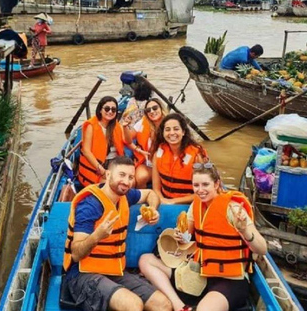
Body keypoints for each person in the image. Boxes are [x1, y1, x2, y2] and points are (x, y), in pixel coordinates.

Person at [139, 164, 267, 311]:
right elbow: (187, 239)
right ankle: (180, 307)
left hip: (229, 280)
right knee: (146, 260)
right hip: (199, 273)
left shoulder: (233, 209)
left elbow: (262, 249)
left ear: (217, 184)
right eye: (196, 185)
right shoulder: (196, 205)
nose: (200, 190)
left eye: (205, 184)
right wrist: (181, 238)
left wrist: (244, 230)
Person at [63, 156, 172, 311]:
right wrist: (96, 236)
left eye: (131, 177)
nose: (126, 182)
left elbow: (150, 194)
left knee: (163, 305)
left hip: (113, 270)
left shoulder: (125, 196)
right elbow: (76, 254)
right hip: (83, 274)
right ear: (108, 175)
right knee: (133, 305)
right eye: (121, 175)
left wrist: (153, 209)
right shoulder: (90, 206)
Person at [151, 113, 207, 204]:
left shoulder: (197, 157)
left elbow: (203, 192)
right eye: (167, 130)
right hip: (164, 201)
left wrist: (172, 202)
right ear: (163, 133)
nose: (172, 133)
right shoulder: (157, 154)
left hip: (189, 204)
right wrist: (162, 200)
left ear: (183, 132)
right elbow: (156, 188)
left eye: (176, 129)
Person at [78, 96, 126, 187]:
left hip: (115, 161)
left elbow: (127, 141)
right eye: (107, 109)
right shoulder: (91, 126)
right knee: (111, 184)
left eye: (113, 109)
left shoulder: (117, 125)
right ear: (100, 110)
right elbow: (86, 151)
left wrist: (126, 127)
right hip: (98, 164)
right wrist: (100, 169)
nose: (110, 112)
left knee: (129, 180)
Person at [123, 98, 167, 188]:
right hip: (147, 164)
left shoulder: (170, 124)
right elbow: (128, 140)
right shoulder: (143, 122)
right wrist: (125, 127)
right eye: (148, 110)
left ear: (161, 108)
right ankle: (142, 198)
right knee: (139, 177)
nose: (152, 111)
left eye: (155, 108)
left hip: (166, 166)